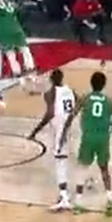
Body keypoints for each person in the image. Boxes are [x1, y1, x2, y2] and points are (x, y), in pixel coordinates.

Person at [63, 71, 112, 215]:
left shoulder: (85, 98)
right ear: (104, 84)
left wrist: (65, 130)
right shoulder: (110, 101)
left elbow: (72, 115)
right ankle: (109, 199)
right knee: (104, 169)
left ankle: (78, 201)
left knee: (82, 168)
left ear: (91, 83)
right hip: (103, 138)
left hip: (88, 137)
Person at [26, 69, 77, 211]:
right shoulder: (70, 90)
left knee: (60, 162)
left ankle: (64, 197)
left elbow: (50, 113)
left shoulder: (51, 92)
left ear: (51, 80)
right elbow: (78, 104)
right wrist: (70, 117)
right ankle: (85, 182)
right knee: (69, 158)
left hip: (60, 130)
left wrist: (35, 131)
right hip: (70, 127)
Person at [0, 0, 38, 90]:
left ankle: (18, 75)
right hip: (15, 28)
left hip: (3, 30)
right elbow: (19, 14)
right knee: (25, 51)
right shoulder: (11, 2)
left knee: (10, 54)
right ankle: (31, 72)